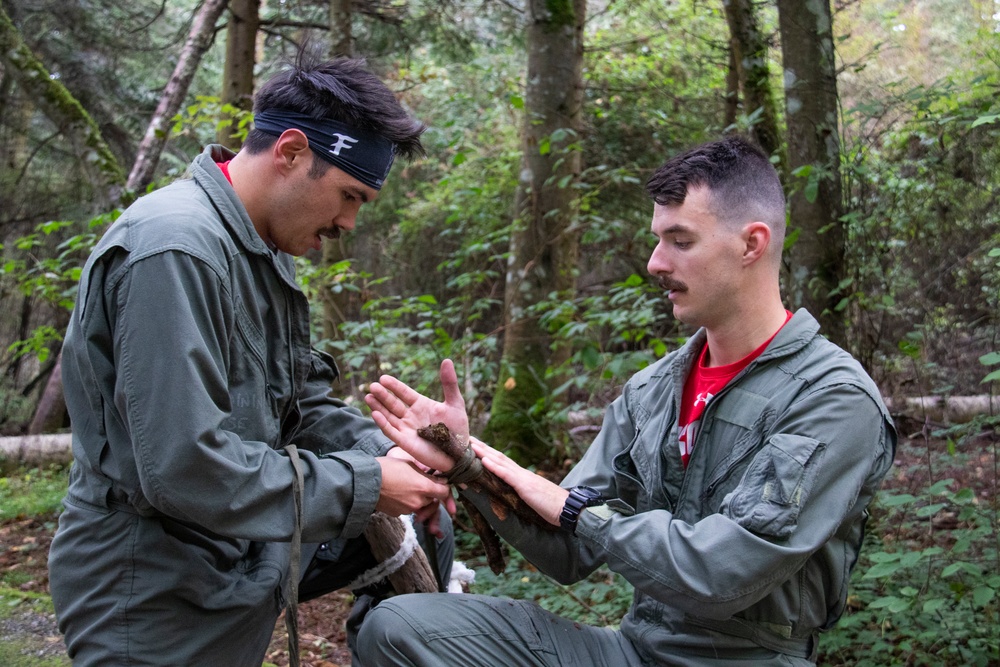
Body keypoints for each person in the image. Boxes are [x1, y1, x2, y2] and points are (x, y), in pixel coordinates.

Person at [358, 136, 897, 666]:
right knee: (398, 626)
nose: (654, 262)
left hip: (748, 660)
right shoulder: (654, 390)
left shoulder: (833, 398)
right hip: (635, 651)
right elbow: (569, 550)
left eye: (680, 240)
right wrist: (470, 464)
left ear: (752, 244)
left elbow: (722, 576)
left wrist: (577, 512)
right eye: (657, 240)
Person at [48, 56, 456, 666]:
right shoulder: (175, 249)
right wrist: (369, 485)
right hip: (152, 581)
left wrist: (398, 451)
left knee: (428, 526)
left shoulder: (260, 246)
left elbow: (293, 408)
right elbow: (185, 468)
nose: (348, 221)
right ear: (290, 151)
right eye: (349, 195)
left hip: (236, 548)